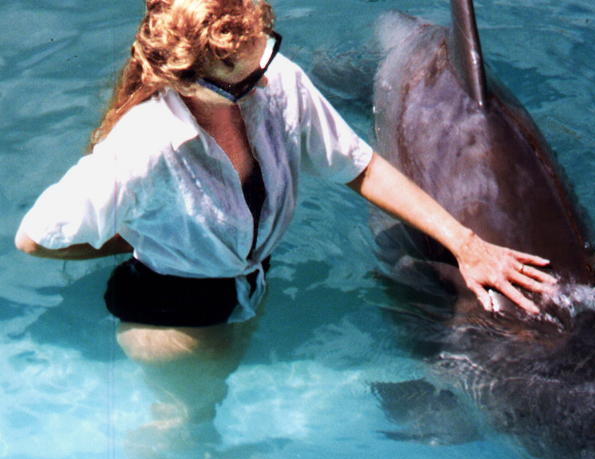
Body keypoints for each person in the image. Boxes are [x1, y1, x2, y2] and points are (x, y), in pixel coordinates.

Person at [15, 0, 554, 367]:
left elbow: (357, 164)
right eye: (242, 80)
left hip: (246, 285)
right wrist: (138, 238)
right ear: (185, 80)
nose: (262, 83)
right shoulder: (141, 145)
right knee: (182, 428)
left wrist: (467, 243)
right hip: (168, 318)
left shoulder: (276, 81)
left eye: (264, 57)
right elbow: (34, 238)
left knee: (216, 405)